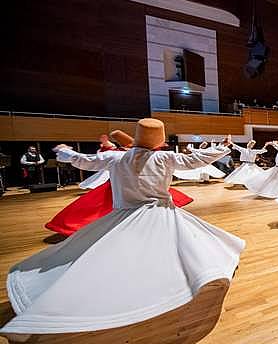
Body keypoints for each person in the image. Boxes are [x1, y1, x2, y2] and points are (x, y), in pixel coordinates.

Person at [1, 118, 245, 335]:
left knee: (102, 258)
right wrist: (223, 147)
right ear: (159, 139)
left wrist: (65, 152)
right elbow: (195, 160)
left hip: (125, 215)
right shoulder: (165, 157)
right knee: (181, 250)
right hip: (159, 213)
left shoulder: (116, 157)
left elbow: (85, 161)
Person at [44, 130, 194, 237]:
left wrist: (67, 152)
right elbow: (88, 159)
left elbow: (86, 160)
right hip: (127, 189)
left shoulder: (131, 154)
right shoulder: (122, 154)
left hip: (137, 190)